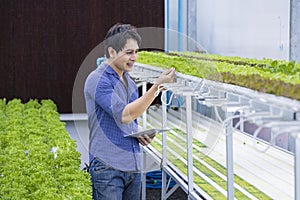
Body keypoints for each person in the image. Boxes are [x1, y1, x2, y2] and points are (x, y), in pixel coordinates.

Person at [84, 23, 176, 200]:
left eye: (136, 52)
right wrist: (157, 86)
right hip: (108, 167)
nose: (134, 57)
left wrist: (139, 135)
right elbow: (125, 115)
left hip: (132, 165)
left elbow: (131, 119)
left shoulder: (129, 81)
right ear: (111, 52)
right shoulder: (98, 80)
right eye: (129, 52)